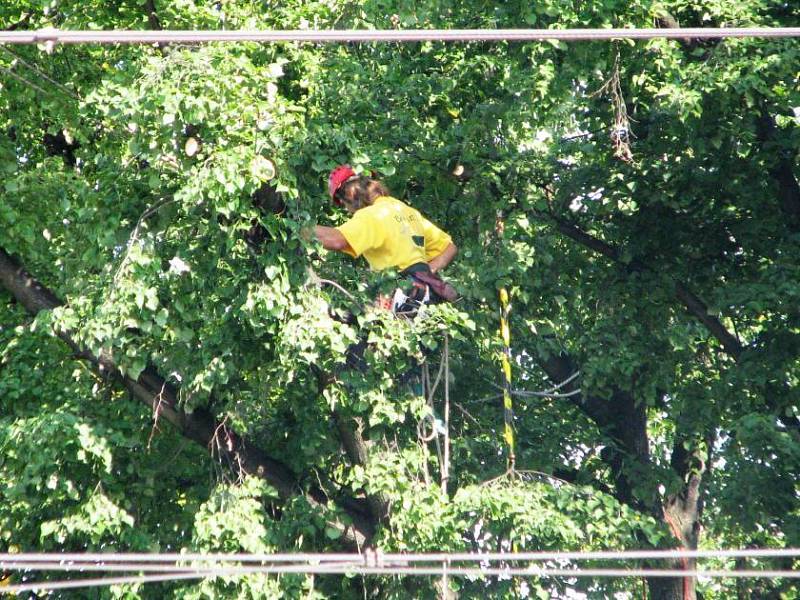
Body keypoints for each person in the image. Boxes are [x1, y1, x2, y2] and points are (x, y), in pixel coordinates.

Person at [313, 165, 458, 314]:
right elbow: (449, 247)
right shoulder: (405, 210)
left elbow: (336, 240)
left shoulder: (371, 215)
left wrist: (296, 228)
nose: (346, 208)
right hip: (427, 293)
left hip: (402, 292)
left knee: (347, 316)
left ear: (350, 193)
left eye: (342, 202)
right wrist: (426, 272)